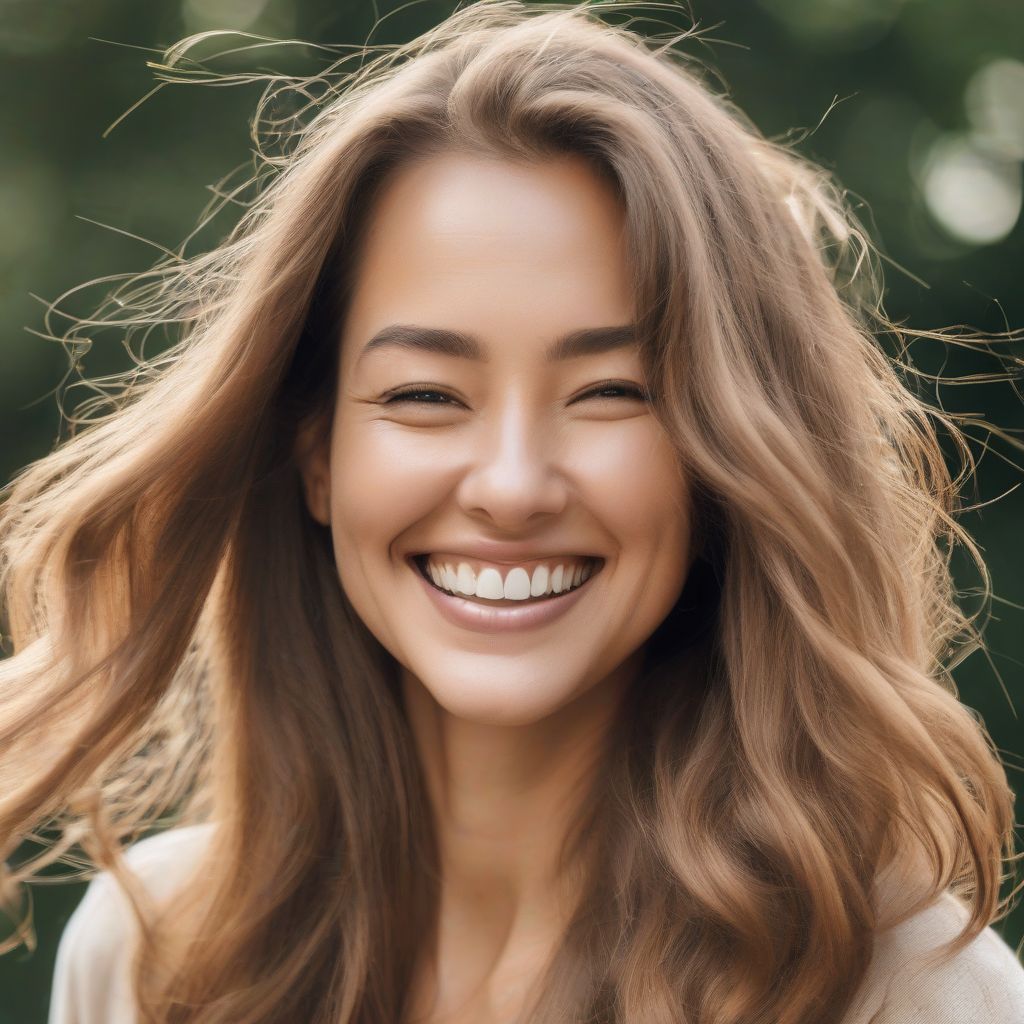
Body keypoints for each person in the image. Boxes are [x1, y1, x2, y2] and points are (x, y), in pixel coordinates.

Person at [1, 1, 1022, 1021]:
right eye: (424, 395)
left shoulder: (903, 989)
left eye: (613, 392)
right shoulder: (155, 950)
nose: (511, 485)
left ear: (726, 455)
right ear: (315, 452)